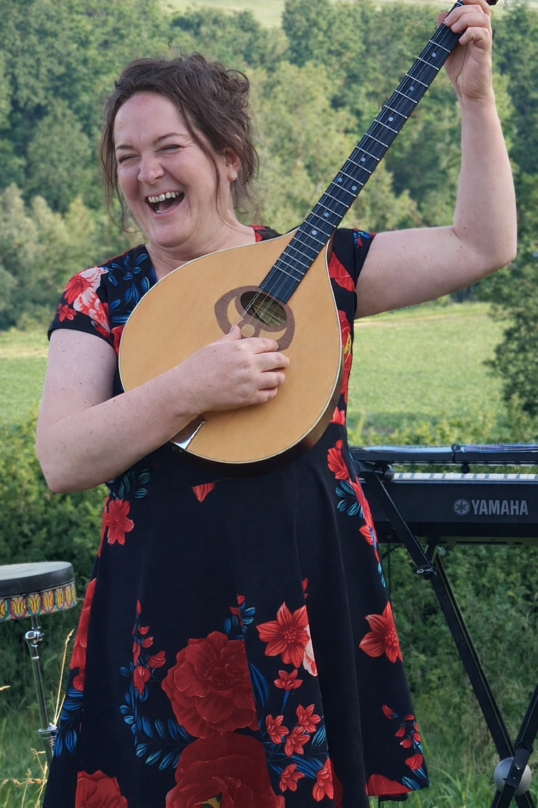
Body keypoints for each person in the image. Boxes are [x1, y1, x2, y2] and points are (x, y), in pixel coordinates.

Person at [37, 0, 516, 805]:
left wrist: (474, 98)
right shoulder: (100, 295)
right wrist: (191, 386)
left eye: (168, 148)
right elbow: (63, 456)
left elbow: (483, 243)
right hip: (160, 612)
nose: (146, 172)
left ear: (226, 157)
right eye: (126, 156)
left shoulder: (323, 270)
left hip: (299, 596)